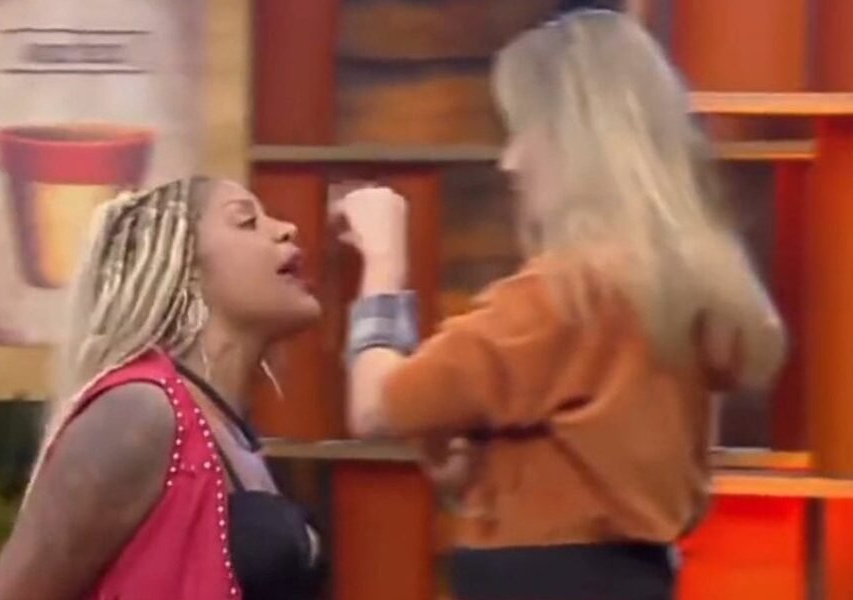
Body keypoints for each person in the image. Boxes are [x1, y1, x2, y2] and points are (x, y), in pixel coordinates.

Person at [333, 9, 785, 600]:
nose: (510, 162)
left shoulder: (562, 297)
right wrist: (483, 473)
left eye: (525, 133)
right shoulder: (683, 295)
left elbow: (376, 407)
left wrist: (383, 262)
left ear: (576, 143)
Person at [0, 177, 327, 600]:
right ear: (183, 268)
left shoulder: (230, 431)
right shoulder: (138, 412)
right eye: (246, 221)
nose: (287, 229)